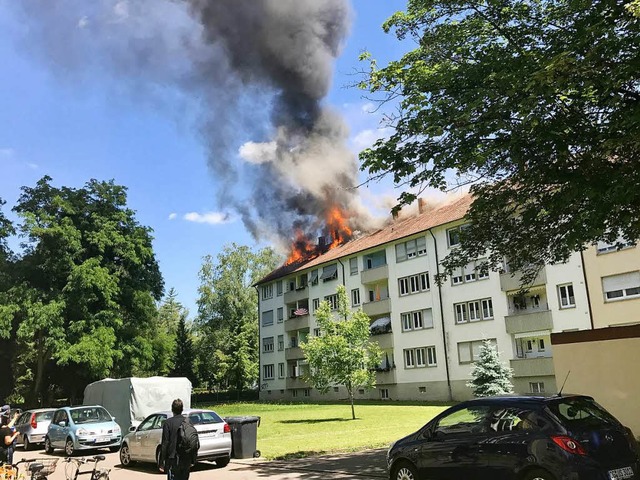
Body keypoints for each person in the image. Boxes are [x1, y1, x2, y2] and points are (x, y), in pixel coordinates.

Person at [160, 399, 191, 480]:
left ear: (172, 409)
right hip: (186, 458)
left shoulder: (168, 423)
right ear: (182, 409)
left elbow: (165, 443)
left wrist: (161, 461)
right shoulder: (187, 421)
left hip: (173, 459)